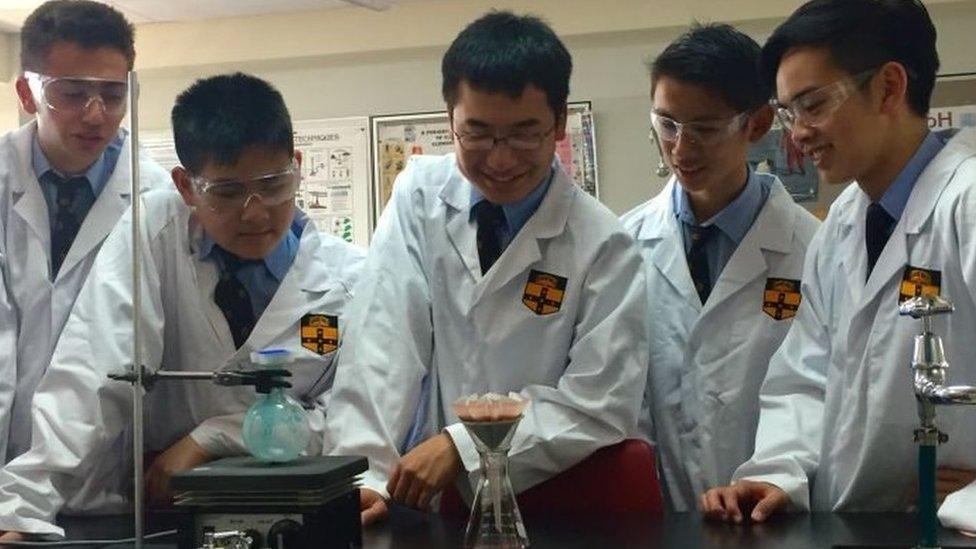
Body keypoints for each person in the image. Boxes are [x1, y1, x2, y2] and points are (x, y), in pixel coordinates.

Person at [0, 73, 365, 537]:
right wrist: (22, 507)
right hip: (159, 510)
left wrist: (216, 435)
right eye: (227, 192)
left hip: (301, 513)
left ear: (296, 167)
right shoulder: (153, 233)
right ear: (186, 186)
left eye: (274, 185)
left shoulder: (350, 279)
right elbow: (92, 376)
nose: (255, 212)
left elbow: (350, 418)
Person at [324, 10, 648, 525]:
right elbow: (382, 342)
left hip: (547, 498)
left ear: (559, 123)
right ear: (449, 117)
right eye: (475, 134)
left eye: (524, 135)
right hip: (417, 499)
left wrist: (467, 445)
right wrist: (363, 475)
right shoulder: (418, 196)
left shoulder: (603, 243)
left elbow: (600, 402)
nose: (499, 160)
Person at [700, 0, 976, 525]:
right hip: (858, 522)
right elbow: (806, 374)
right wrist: (777, 475)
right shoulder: (844, 223)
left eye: (813, 103)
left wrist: (971, 498)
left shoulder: (968, 203)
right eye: (787, 112)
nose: (797, 133)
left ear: (890, 87)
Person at [620, 23, 819, 512]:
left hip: (779, 513)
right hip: (659, 519)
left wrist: (779, 479)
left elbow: (818, 389)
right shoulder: (620, 246)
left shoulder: (814, 250)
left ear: (756, 124)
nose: (681, 149)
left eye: (705, 129)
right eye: (666, 124)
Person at [0, 0, 170, 464]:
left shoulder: (158, 201)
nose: (96, 115)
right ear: (27, 92)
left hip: (112, 473)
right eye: (72, 93)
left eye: (113, 95)